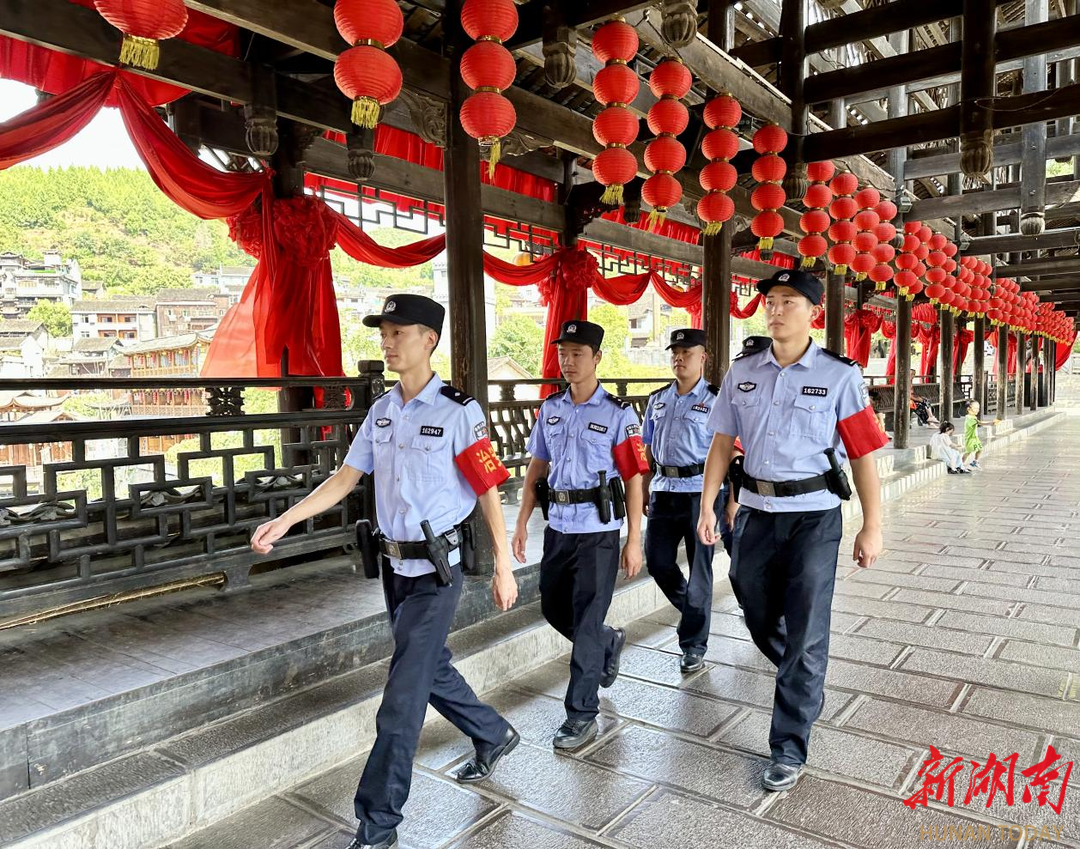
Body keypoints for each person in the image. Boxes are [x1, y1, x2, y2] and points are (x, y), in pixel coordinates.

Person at [251, 295, 521, 849]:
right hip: (394, 570)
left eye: (399, 332)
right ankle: (493, 733)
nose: (387, 340)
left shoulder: (458, 411)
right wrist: (287, 519)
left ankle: (378, 824)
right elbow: (346, 478)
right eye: (383, 331)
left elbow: (488, 490)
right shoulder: (382, 411)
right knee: (427, 669)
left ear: (430, 340)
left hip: (437, 573)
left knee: (401, 701)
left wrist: (503, 565)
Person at [696, 269, 887, 794]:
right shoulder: (743, 373)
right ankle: (804, 676)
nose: (775, 310)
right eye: (770, 301)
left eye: (787, 302)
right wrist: (711, 505)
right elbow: (721, 443)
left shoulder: (839, 375)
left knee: (805, 626)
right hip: (755, 513)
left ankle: (788, 744)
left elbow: (866, 454)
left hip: (814, 517)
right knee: (754, 607)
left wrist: (872, 525)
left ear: (813, 313)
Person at [512, 319, 648, 750]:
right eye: (562, 353)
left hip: (599, 532)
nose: (567, 362)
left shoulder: (618, 414)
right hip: (559, 528)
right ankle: (608, 642)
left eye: (576, 354)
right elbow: (538, 465)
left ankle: (580, 714)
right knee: (554, 609)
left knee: (586, 623)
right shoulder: (550, 408)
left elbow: (634, 478)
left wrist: (633, 539)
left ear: (597, 359)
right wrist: (521, 520)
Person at [640, 327, 721, 674]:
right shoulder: (657, 398)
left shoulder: (716, 400)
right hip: (662, 490)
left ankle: (693, 645)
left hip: (700, 494)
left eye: (686, 352)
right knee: (657, 562)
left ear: (702, 357)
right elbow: (646, 446)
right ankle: (695, 614)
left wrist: (724, 503)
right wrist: (645, 486)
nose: (679, 358)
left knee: (700, 570)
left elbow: (727, 450)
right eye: (674, 352)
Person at [962, 399, 997, 469]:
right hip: (970, 438)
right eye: (975, 408)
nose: (977, 410)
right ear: (968, 409)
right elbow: (980, 423)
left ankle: (975, 461)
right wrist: (990, 422)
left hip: (975, 438)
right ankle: (960, 464)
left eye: (978, 408)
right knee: (968, 452)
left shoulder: (973, 417)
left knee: (980, 449)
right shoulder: (969, 418)